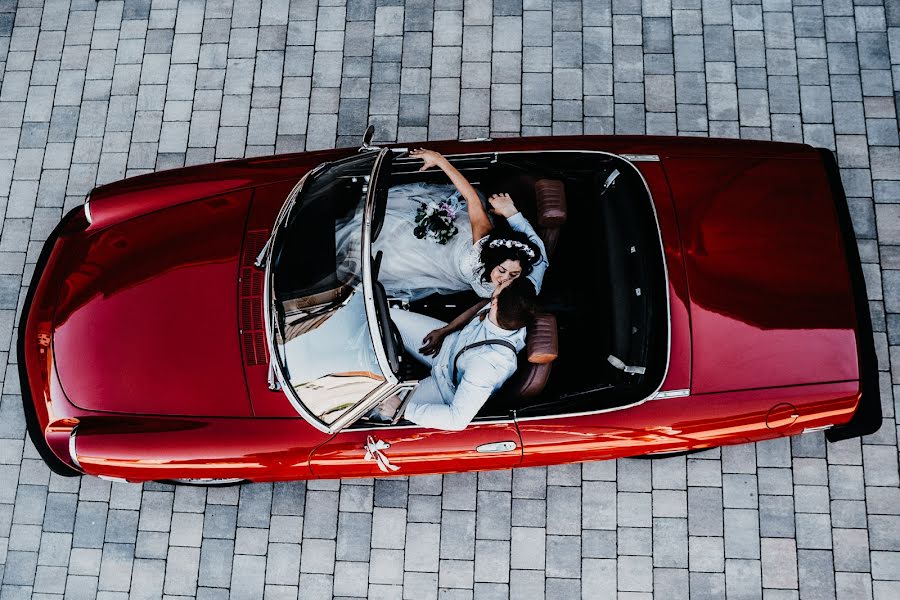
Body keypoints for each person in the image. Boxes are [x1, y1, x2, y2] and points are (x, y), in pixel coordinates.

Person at [339, 148, 549, 301]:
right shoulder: (482, 241)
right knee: (393, 235)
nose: (505, 279)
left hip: (443, 272)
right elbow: (471, 199)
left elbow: (489, 306)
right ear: (494, 259)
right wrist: (439, 160)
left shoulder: (519, 289)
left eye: (513, 274)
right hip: (456, 241)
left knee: (387, 267)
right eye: (503, 270)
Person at [372, 277, 538, 431]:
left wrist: (404, 409)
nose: (500, 280)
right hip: (446, 344)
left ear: (495, 303)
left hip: (444, 386)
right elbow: (481, 306)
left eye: (501, 284)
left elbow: (457, 419)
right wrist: (445, 330)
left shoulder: (487, 367)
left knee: (379, 409)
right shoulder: (508, 309)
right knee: (383, 317)